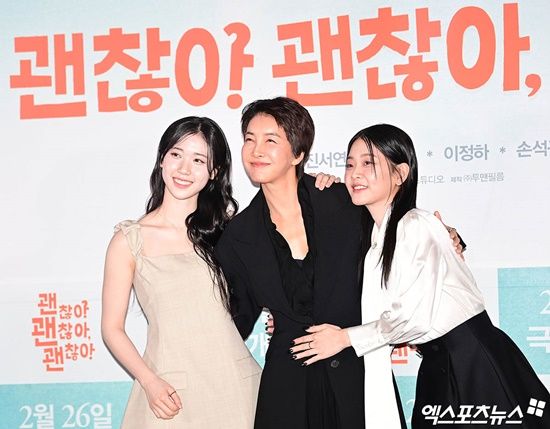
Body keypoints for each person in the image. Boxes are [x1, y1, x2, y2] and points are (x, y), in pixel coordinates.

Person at [215, 98, 461, 429]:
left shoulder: (343, 200)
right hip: (288, 385)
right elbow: (235, 320)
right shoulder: (238, 236)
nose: (256, 150)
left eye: (270, 140)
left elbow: (397, 231)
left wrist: (449, 237)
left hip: (357, 373)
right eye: (249, 139)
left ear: (298, 154)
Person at [290, 124, 550, 428]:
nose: (355, 173)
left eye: (368, 163)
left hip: (472, 362)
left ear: (400, 174)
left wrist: (344, 338)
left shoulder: (415, 225)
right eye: (349, 165)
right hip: (440, 363)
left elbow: (414, 317)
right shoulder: (376, 239)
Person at [101, 116, 261, 429]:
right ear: (162, 159)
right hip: (169, 392)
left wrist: (320, 185)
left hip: (235, 387)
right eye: (176, 154)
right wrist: (149, 381)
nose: (184, 169)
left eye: (198, 160)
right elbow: (112, 328)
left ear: (214, 172)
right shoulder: (130, 240)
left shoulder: (229, 233)